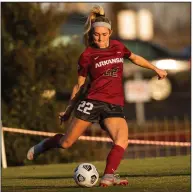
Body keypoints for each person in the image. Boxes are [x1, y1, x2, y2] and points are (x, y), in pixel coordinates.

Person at [27, 5, 167, 187]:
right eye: (96, 35)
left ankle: (108, 176)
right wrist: (69, 109)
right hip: (91, 102)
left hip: (114, 105)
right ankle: (43, 146)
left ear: (110, 32)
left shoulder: (118, 47)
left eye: (104, 34)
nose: (100, 38)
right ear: (92, 34)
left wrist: (155, 68)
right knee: (66, 143)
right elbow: (79, 85)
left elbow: (134, 57)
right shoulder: (87, 55)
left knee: (122, 140)